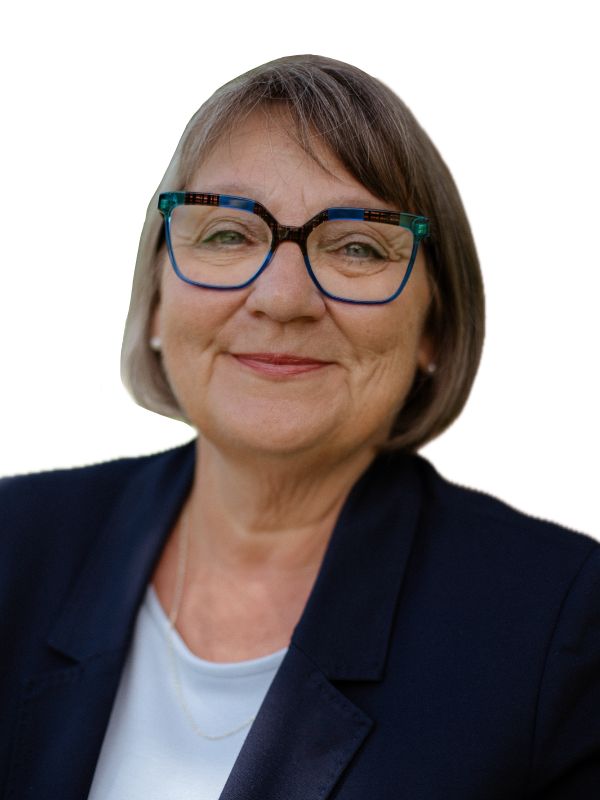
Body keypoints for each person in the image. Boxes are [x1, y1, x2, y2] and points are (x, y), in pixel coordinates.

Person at [1, 55, 599, 800]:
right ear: (155, 302)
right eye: (227, 234)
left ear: (433, 330)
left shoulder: (558, 627)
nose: (281, 298)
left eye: (357, 246)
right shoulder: (12, 544)